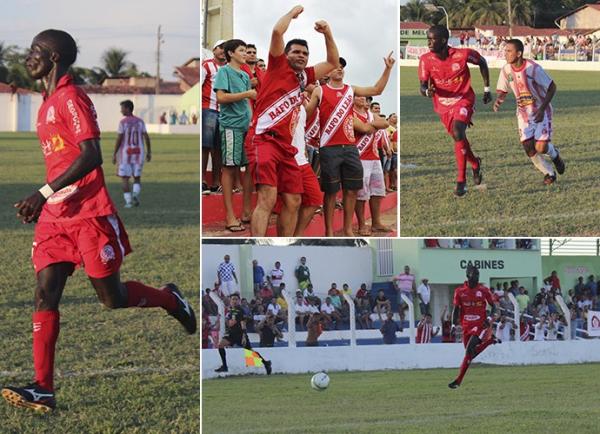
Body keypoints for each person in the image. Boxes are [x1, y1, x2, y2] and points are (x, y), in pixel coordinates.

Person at [2, 29, 196, 413]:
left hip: (89, 214)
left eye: (35, 52)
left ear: (54, 58)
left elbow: (91, 155)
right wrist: (47, 200)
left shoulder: (71, 98)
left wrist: (40, 193)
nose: (28, 57)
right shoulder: (48, 100)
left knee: (112, 299)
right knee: (45, 293)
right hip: (56, 216)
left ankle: (169, 299)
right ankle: (43, 388)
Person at [248, 6, 339, 236]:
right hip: (264, 140)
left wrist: (327, 33)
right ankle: (257, 246)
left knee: (294, 200)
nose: (301, 56)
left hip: (287, 148)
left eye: (305, 53)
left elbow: (331, 62)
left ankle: (284, 243)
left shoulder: (304, 76)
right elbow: (277, 33)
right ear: (285, 54)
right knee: (267, 199)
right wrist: (291, 14)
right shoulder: (277, 66)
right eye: (296, 52)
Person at [306, 53, 395, 236]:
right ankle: (329, 231)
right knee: (330, 192)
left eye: (342, 66)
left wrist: (388, 68)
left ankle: (348, 229)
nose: (339, 68)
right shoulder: (320, 91)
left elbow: (377, 90)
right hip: (329, 148)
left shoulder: (350, 90)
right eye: (335, 66)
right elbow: (306, 115)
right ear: (327, 72)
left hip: (350, 149)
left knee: (352, 190)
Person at [418, 25, 491, 197]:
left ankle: (461, 181)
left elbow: (482, 62)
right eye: (427, 39)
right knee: (459, 138)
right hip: (442, 105)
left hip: (463, 99)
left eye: (432, 39)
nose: (429, 42)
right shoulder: (425, 60)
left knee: (459, 132)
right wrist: (427, 92)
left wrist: (487, 89)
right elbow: (422, 85)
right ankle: (475, 164)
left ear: (443, 40)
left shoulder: (462, 54)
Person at [493, 39, 565, 185]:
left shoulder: (533, 69)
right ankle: (549, 173)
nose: (505, 54)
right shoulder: (506, 69)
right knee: (529, 148)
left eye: (509, 51)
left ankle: (555, 155)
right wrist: (499, 99)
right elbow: (503, 89)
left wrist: (542, 109)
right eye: (505, 50)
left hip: (541, 111)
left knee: (541, 147)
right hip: (523, 114)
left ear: (519, 53)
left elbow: (552, 87)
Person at [213, 39, 256, 232]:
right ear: (230, 53)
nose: (245, 54)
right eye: (241, 50)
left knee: (248, 167)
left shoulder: (245, 75)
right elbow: (221, 98)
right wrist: (246, 94)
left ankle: (246, 211)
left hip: (246, 126)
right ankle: (230, 216)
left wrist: (252, 120)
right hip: (231, 126)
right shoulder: (224, 72)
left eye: (246, 51)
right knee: (229, 169)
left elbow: (247, 103)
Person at [448, 265, 499, 389]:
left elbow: (494, 307)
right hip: (466, 326)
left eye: (478, 275)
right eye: (474, 275)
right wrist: (454, 325)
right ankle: (490, 341)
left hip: (480, 325)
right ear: (467, 275)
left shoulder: (484, 290)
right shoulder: (459, 291)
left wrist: (488, 319)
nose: (476, 277)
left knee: (470, 349)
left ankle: (458, 380)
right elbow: (456, 309)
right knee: (470, 354)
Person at [352, 95, 391, 235]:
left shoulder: (370, 114)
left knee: (378, 191)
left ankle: (376, 222)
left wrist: (371, 125)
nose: (363, 99)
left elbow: (385, 124)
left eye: (366, 98)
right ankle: (362, 224)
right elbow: (363, 129)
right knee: (361, 193)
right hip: (359, 156)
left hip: (374, 157)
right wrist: (373, 125)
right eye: (359, 97)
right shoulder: (350, 113)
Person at [215, 294, 272, 374]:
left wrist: (244, 336)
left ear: (239, 301)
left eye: (236, 299)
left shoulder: (240, 311)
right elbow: (230, 322)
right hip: (231, 334)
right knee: (220, 345)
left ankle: (266, 363)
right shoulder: (231, 310)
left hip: (240, 334)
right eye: (233, 299)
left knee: (250, 351)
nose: (234, 301)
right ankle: (224, 366)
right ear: (230, 301)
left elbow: (243, 323)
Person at [112, 99, 151, 208]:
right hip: (139, 153)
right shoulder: (140, 121)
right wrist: (149, 152)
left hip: (126, 154)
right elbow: (146, 137)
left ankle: (128, 202)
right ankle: (135, 194)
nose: (121, 111)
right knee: (137, 177)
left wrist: (114, 153)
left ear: (128, 108)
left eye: (122, 108)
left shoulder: (123, 122)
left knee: (125, 178)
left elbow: (119, 139)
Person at [202, 40, 226, 194]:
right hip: (208, 109)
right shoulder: (207, 65)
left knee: (218, 149)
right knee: (205, 146)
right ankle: (202, 180)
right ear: (214, 49)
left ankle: (216, 182)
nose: (224, 51)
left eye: (226, 48)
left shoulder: (228, 68)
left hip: (223, 112)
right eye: (221, 48)